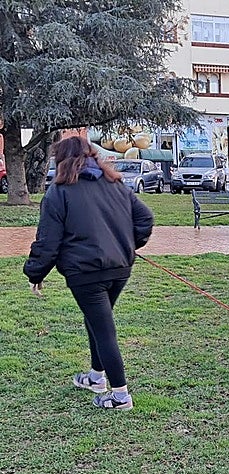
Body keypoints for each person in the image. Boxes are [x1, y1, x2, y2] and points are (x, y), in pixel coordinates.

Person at [23, 136, 154, 411]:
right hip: (118, 269)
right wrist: (127, 246)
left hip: (88, 273)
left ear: (61, 161)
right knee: (96, 321)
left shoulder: (59, 193)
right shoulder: (115, 185)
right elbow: (144, 219)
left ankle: (120, 396)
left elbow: (47, 241)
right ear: (92, 156)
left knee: (103, 330)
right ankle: (96, 378)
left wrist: (35, 273)